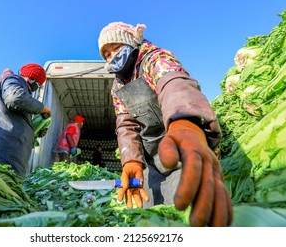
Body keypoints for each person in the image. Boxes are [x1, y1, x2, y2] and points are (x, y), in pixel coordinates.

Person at [97, 21, 233, 227]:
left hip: (184, 151)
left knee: (188, 217)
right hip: (153, 163)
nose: (112, 56)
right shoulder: (118, 86)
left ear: (129, 42)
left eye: (115, 47)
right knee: (151, 220)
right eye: (106, 54)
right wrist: (131, 160)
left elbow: (174, 86)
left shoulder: (155, 59)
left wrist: (184, 123)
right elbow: (126, 124)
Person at [0, 63, 51, 177]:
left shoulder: (21, 88)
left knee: (5, 188)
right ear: (32, 79)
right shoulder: (13, 80)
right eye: (38, 84)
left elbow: (18, 121)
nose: (38, 87)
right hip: (0, 148)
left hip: (10, 151)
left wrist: (36, 131)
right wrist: (42, 108)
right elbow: (15, 99)